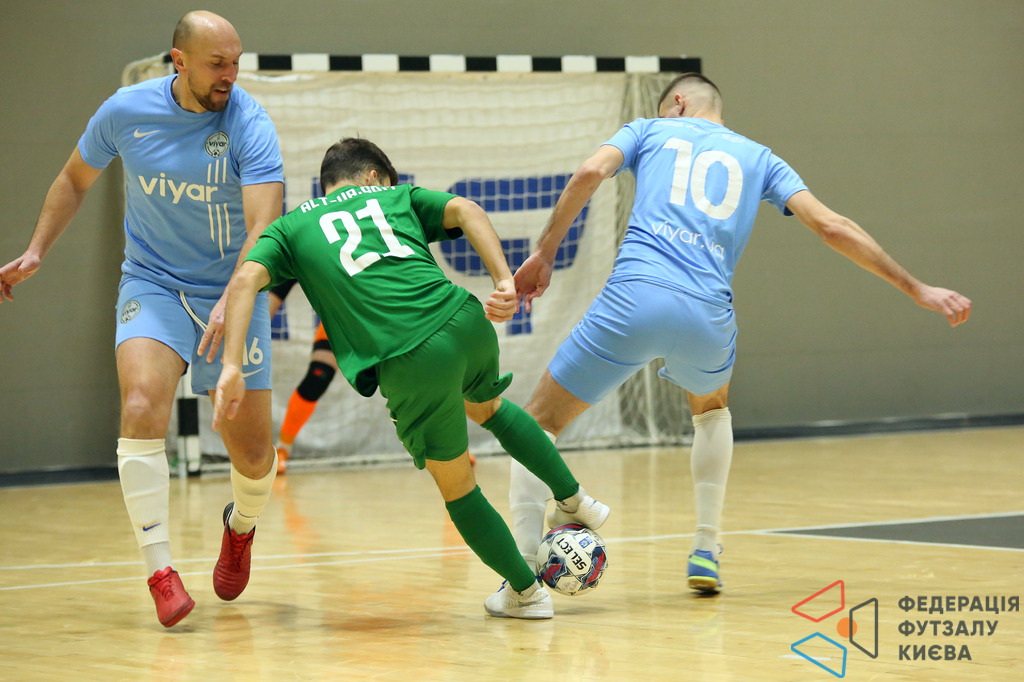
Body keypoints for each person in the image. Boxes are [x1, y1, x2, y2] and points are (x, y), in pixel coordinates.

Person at [510, 72, 972, 594]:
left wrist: (544, 252)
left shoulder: (648, 129)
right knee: (711, 411)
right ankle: (706, 547)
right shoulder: (762, 158)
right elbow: (832, 227)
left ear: (677, 103)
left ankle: (521, 578)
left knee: (537, 422)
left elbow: (591, 172)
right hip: (707, 315)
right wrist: (916, 287)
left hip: (635, 298)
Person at [212, 137, 610, 619]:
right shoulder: (395, 197)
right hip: (465, 320)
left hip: (409, 356)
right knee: (490, 409)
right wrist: (503, 280)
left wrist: (232, 365)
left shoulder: (291, 226)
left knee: (458, 486)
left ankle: (526, 594)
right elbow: (467, 209)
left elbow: (244, 282)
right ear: (374, 176)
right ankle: (576, 498)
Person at [0, 11, 285, 627]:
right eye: (217, 63)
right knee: (139, 405)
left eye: (236, 62)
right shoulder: (126, 110)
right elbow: (74, 178)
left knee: (253, 455)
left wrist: (233, 296)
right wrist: (37, 249)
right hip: (152, 284)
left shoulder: (251, 123)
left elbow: (264, 226)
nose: (230, 75)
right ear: (179, 61)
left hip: (233, 289)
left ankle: (241, 526)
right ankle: (160, 571)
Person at [267, 281, 478, 474]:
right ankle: (283, 448)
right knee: (317, 379)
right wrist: (257, 330)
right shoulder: (307, 252)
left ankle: (453, 448)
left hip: (382, 319)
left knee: (422, 378)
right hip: (340, 321)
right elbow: (279, 288)